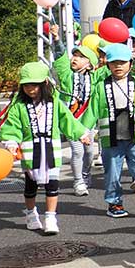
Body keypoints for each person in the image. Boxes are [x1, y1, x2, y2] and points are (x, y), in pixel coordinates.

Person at [0, 62, 92, 236]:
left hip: (51, 148)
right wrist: (11, 143)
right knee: (31, 185)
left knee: (52, 184)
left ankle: (50, 217)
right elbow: (13, 127)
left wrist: (81, 133)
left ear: (45, 83)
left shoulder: (55, 103)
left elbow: (67, 120)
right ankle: (31, 214)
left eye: (34, 85)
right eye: (26, 85)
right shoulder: (18, 106)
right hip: (30, 150)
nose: (30, 89)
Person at [81, 43, 135, 220]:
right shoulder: (101, 87)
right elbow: (93, 111)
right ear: (107, 65)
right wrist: (85, 131)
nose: (118, 66)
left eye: (122, 62)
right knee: (112, 173)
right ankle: (114, 202)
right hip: (111, 137)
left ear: (130, 64)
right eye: (114, 62)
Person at [52, 43, 100, 196]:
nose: (75, 59)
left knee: (89, 151)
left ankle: (86, 175)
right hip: (70, 122)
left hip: (88, 121)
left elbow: (111, 69)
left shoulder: (95, 77)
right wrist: (57, 39)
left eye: (81, 57)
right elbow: (60, 57)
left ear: (89, 64)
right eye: (75, 55)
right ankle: (78, 181)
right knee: (77, 151)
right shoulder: (67, 74)